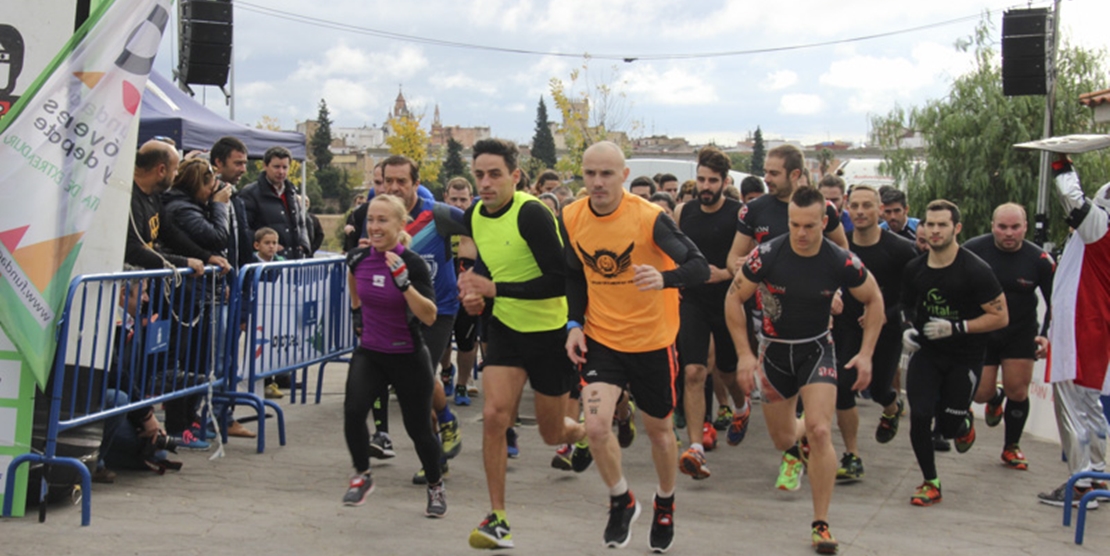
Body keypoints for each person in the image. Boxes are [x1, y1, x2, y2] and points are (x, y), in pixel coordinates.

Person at [563, 141, 708, 551]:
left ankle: (665, 501)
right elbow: (573, 273)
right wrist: (574, 324)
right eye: (589, 173)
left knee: (660, 432)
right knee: (594, 426)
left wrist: (664, 279)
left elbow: (698, 266)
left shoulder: (649, 218)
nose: (597, 182)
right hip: (601, 338)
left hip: (652, 342)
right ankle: (621, 498)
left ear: (624, 176)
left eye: (606, 174)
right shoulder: (571, 216)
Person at [725, 185, 883, 554]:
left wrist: (866, 354)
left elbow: (874, 299)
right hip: (775, 353)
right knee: (784, 438)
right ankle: (793, 452)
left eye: (809, 226)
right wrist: (745, 355)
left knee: (821, 430)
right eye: (794, 224)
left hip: (816, 350)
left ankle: (821, 524)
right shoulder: (766, 255)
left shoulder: (839, 260)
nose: (801, 233)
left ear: (824, 222)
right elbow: (734, 297)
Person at [458, 138, 586, 550]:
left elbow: (558, 280)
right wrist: (476, 293)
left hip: (549, 333)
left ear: (515, 176)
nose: (485, 183)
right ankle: (498, 518)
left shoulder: (531, 214)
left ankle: (586, 430)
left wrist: (494, 288)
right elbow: (486, 266)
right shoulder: (474, 214)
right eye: (479, 174)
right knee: (495, 416)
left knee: (552, 434)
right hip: (508, 331)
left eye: (495, 174)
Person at [725, 144, 849, 490]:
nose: (766, 178)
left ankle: (805, 449)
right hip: (770, 320)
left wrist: (836, 291)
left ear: (795, 175)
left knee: (816, 417)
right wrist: (754, 264)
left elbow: (842, 254)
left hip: (813, 320)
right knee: (782, 420)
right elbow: (733, 259)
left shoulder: (822, 210)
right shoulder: (754, 210)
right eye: (765, 171)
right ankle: (793, 450)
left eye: (774, 173)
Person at [343, 195, 446, 517]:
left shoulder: (411, 263)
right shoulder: (358, 259)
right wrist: (357, 315)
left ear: (400, 225)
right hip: (371, 352)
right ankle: (363, 476)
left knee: (419, 430)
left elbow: (430, 315)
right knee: (353, 412)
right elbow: (354, 283)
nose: (374, 226)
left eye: (382, 220)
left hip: (407, 355)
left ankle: (435, 486)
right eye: (371, 220)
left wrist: (404, 284)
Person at [900, 199, 1008, 507]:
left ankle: (962, 424)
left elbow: (1000, 316)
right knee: (920, 416)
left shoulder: (976, 269)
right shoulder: (915, 268)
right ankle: (930, 481)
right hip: (928, 354)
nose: (934, 231)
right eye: (930, 225)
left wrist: (957, 327)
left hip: (965, 356)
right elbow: (906, 304)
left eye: (942, 225)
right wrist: (907, 328)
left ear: (956, 228)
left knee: (947, 428)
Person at [377, 154, 473, 484]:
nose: (394, 187)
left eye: (401, 181)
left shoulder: (438, 215)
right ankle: (445, 424)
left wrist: (472, 269)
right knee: (414, 382)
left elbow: (478, 226)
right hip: (398, 312)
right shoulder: (381, 217)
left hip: (438, 310)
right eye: (388, 180)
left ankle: (433, 452)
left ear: (416, 183)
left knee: (417, 380)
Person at [1036, 155, 1110, 507]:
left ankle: (1082, 487)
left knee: (1073, 408)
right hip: (1091, 325)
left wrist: (1061, 164)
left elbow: (1072, 198)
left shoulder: (1101, 227)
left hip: (1083, 325)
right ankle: (1098, 476)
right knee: (1089, 408)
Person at [674, 147, 751, 482]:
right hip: (692, 300)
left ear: (725, 182)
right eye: (701, 179)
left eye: (712, 181)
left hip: (728, 300)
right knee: (693, 371)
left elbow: (747, 264)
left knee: (729, 373)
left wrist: (724, 273)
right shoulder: (683, 212)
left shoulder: (740, 214)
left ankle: (741, 408)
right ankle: (695, 447)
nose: (705, 186)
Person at [832, 185, 918, 482]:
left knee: (880, 389)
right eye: (854, 206)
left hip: (886, 329)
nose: (859, 212)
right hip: (847, 327)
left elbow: (914, 296)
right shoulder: (840, 247)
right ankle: (852, 455)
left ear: (879, 210)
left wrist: (884, 313)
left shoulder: (901, 250)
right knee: (843, 385)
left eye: (867, 205)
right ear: (846, 208)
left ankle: (892, 407)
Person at [964, 203, 1054, 471]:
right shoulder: (973, 250)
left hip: (1020, 332)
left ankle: (1011, 446)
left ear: (1025, 227)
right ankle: (994, 398)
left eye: (1015, 227)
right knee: (980, 394)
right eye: (1002, 227)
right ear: (992, 226)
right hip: (985, 331)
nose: (1009, 233)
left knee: (1018, 390)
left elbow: (1056, 302)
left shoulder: (1040, 261)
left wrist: (1046, 335)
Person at [441, 177, 481, 405]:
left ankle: (463, 384)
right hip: (442, 289)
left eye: (463, 200)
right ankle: (446, 370)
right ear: (445, 198)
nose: (458, 204)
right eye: (453, 199)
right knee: (443, 339)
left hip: (468, 286)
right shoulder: (438, 220)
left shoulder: (476, 222)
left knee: (467, 341)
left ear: (471, 199)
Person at [240, 146, 311, 260]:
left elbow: (301, 224)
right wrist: (270, 245)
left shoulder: (291, 193)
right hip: (267, 263)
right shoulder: (250, 193)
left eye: (285, 167)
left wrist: (304, 245)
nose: (281, 172)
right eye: (276, 167)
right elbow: (244, 229)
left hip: (294, 260)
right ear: (265, 166)